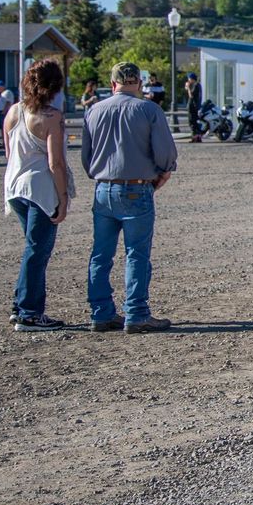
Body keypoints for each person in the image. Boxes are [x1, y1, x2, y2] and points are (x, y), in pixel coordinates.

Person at [82, 61, 180, 334]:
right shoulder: (148, 109)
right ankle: (136, 314)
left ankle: (101, 312)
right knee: (136, 254)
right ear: (139, 83)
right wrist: (164, 172)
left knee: (100, 255)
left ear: (112, 84)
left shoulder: (94, 111)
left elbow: (86, 157)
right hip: (137, 187)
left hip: (103, 188)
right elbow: (165, 152)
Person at [2, 59, 75, 331]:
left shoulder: (13, 112)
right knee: (38, 251)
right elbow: (55, 163)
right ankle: (30, 312)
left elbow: (10, 154)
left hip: (14, 187)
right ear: (55, 86)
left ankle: (20, 305)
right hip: (40, 189)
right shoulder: (51, 118)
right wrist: (64, 197)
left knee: (32, 248)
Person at [184, 73, 204, 143]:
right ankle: (198, 137)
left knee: (192, 122)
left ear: (192, 79)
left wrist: (188, 88)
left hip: (193, 107)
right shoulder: (199, 85)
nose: (188, 80)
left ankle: (195, 137)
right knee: (196, 122)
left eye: (189, 79)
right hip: (197, 106)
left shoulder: (195, 86)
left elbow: (191, 96)